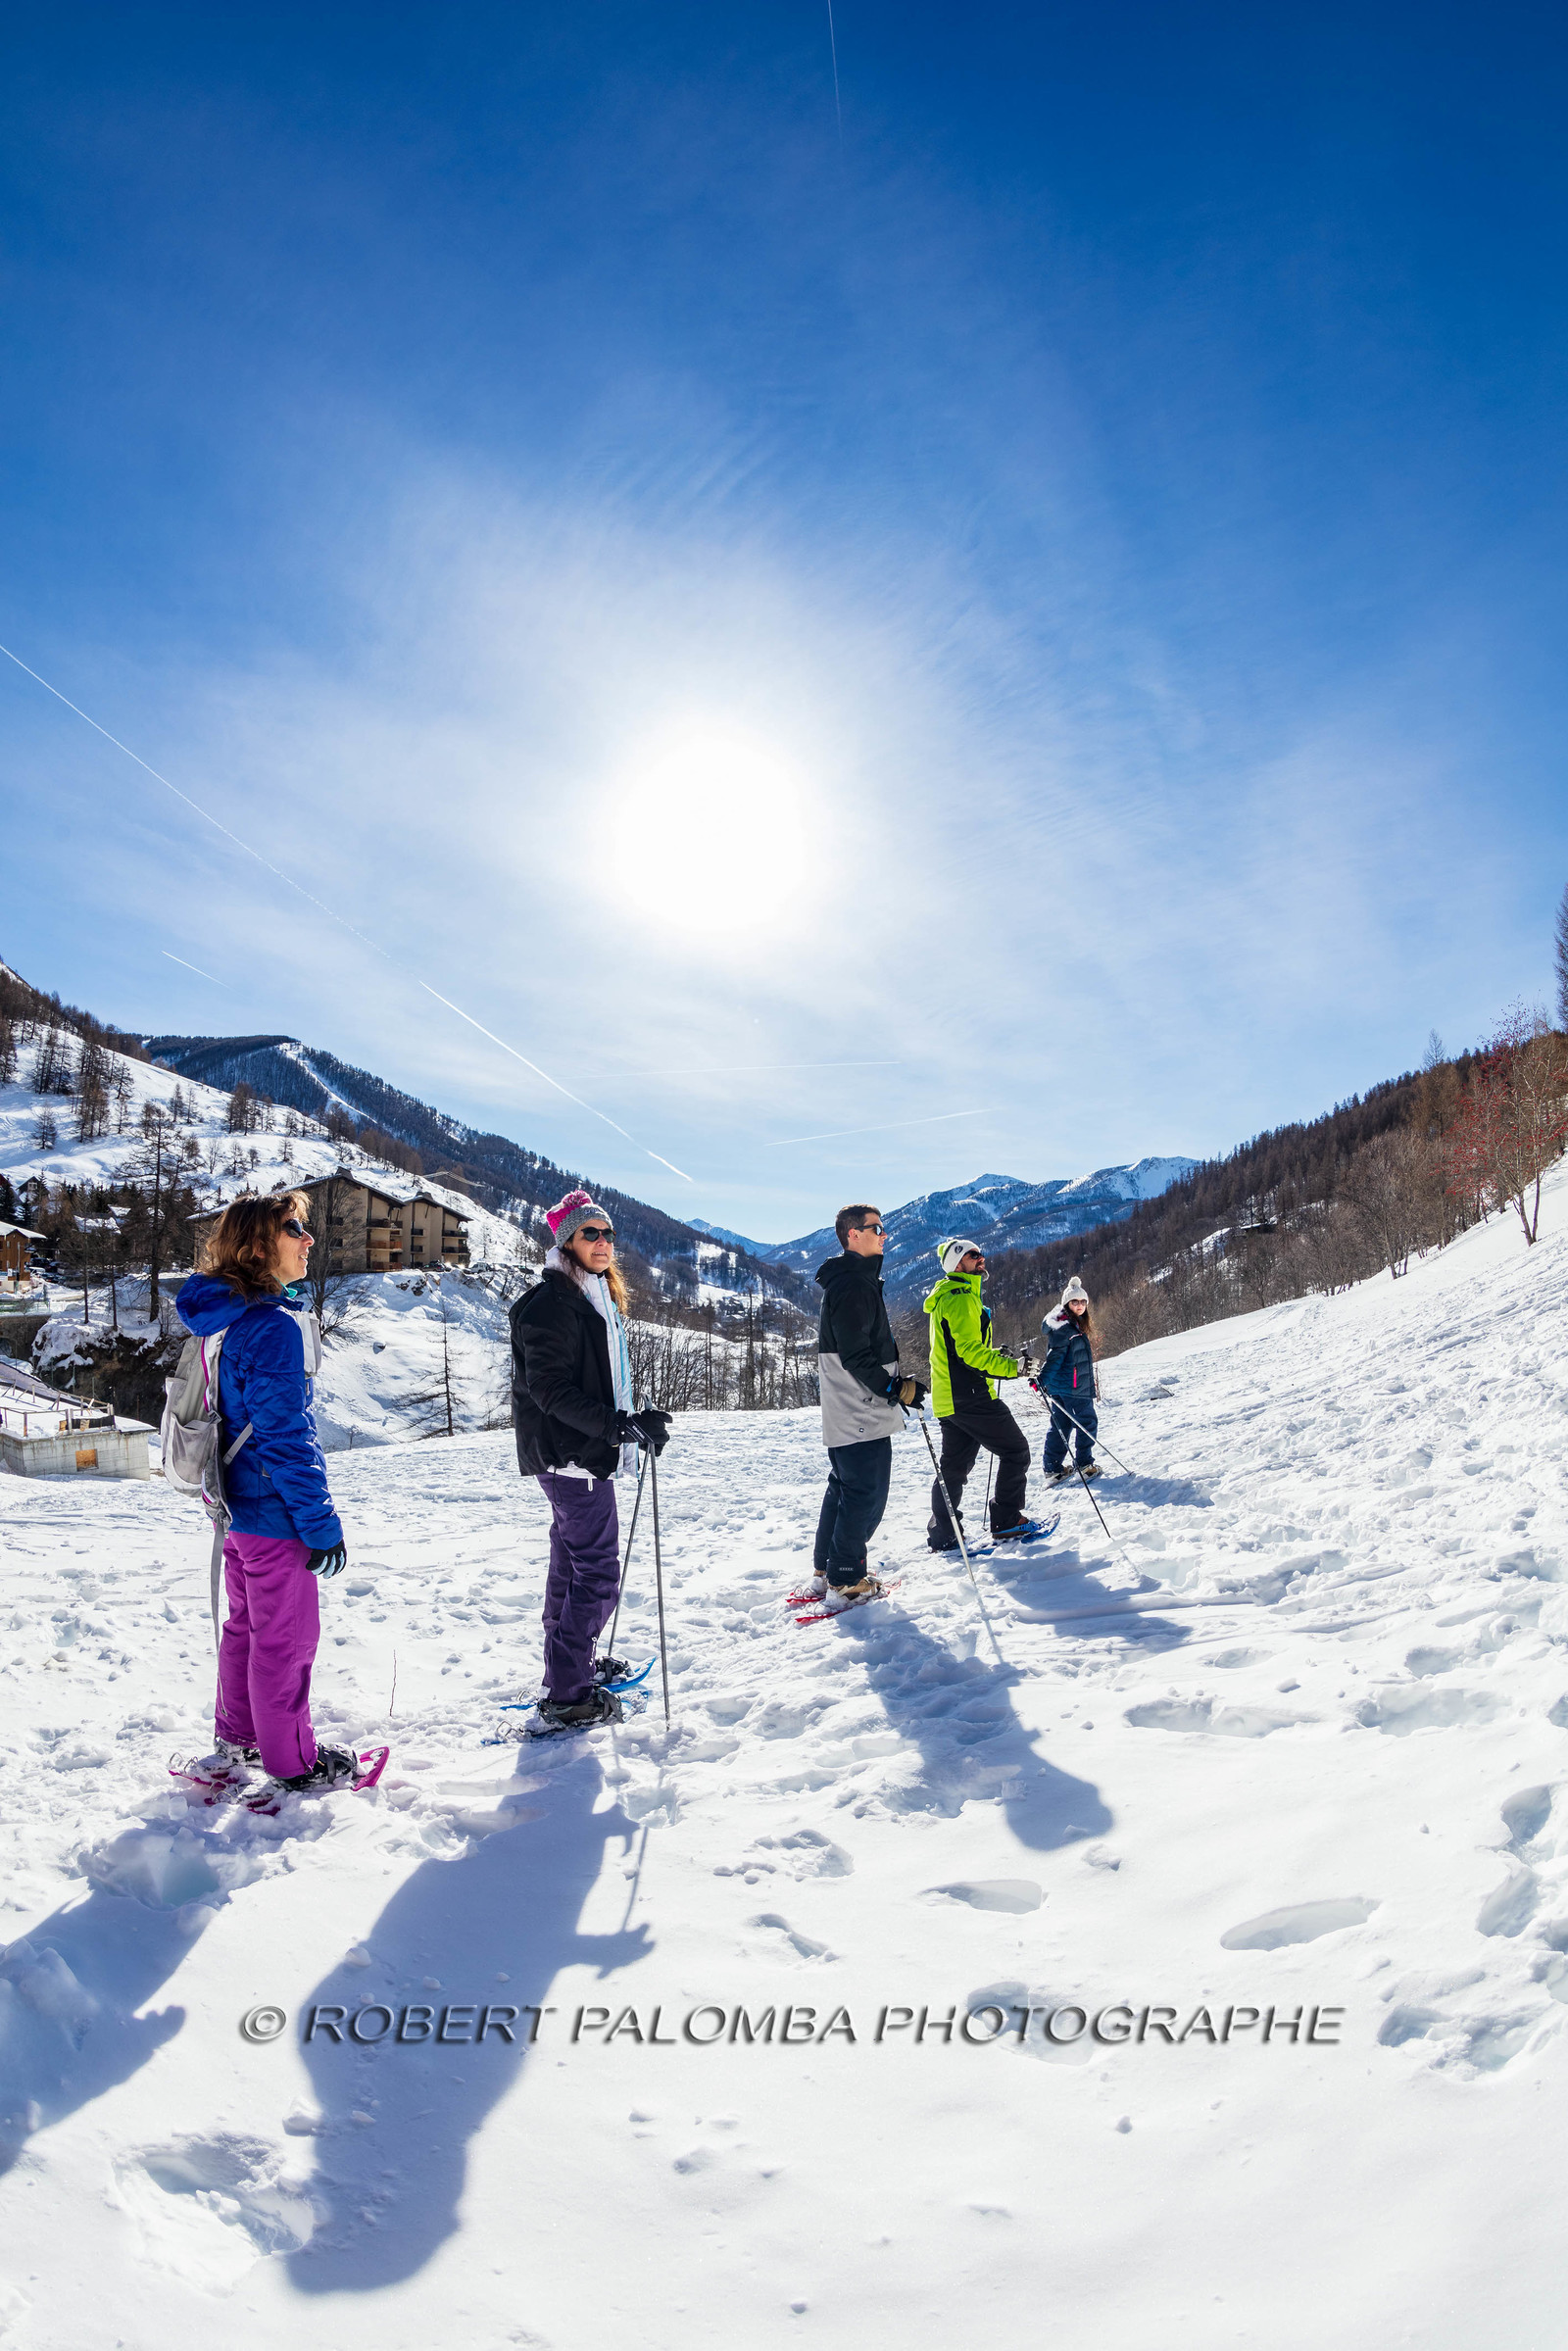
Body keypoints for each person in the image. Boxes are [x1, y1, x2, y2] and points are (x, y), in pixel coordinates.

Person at [175, 1193, 355, 1799]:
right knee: (286, 1640)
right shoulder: (272, 1327)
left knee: (247, 1630)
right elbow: (286, 1439)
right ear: (259, 1246)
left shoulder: (225, 1317)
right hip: (273, 1515)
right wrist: (320, 1521)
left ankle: (239, 1739)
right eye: (294, 1229)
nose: (309, 1240)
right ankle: (292, 1763)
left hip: (233, 1510)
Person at [510, 1189, 671, 1732]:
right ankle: (568, 1693)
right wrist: (616, 1426)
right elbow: (550, 1390)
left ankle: (569, 1666)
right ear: (567, 1242)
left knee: (571, 1565)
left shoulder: (591, 1295)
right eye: (590, 1234)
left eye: (608, 1235)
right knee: (598, 1572)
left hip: (578, 1451)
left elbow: (595, 1379)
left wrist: (633, 1418)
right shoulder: (551, 1303)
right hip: (569, 1455)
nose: (603, 1243)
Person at [810, 1203, 925, 1606]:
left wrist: (895, 1387)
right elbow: (857, 1355)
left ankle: (828, 1568)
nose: (883, 1234)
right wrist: (896, 1389)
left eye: (883, 1227)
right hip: (860, 1407)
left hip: (852, 1406)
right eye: (875, 1228)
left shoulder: (852, 1280)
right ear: (851, 1235)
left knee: (844, 1489)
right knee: (866, 1494)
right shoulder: (853, 1285)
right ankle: (846, 1577)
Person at [922, 1237, 1038, 1548]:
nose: (981, 1258)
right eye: (973, 1255)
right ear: (957, 1264)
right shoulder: (960, 1297)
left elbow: (962, 1347)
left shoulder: (954, 1295)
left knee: (955, 1468)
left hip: (950, 1397)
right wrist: (1014, 1367)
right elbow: (970, 1354)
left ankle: (945, 1533)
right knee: (1016, 1451)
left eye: (981, 1253)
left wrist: (993, 1353)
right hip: (971, 1394)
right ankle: (1006, 1521)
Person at [1039, 1276, 1101, 1484]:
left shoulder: (1070, 1326)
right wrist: (1042, 1379)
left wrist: (1045, 1381)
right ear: (1067, 1304)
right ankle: (1084, 1464)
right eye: (1075, 1302)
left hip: (1063, 1386)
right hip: (1073, 1388)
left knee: (1061, 1425)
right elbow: (1054, 1357)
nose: (1080, 1306)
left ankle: (1053, 1469)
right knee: (1087, 1423)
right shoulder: (1065, 1329)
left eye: (1083, 1302)